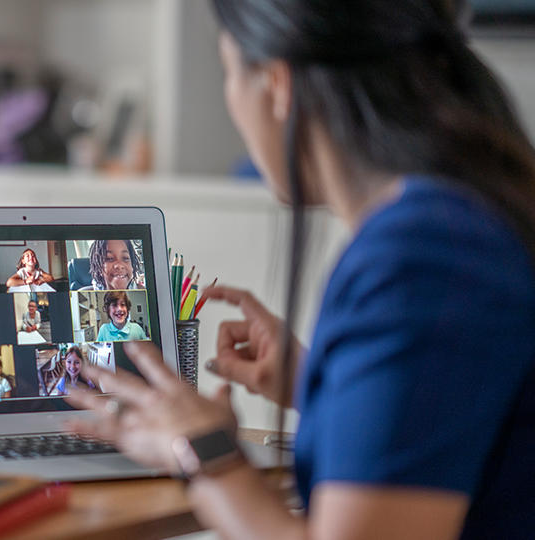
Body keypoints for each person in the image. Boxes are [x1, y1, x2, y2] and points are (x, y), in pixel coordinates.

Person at [63, 1, 535, 539]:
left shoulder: (423, 250)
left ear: (277, 83)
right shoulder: (460, 215)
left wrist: (202, 448)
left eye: (229, 71)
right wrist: (319, 383)